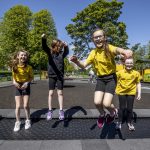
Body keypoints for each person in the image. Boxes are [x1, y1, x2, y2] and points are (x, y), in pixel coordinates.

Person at [70, 28, 133, 128]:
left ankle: (113, 113)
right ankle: (102, 114)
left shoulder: (109, 48)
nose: (98, 39)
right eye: (95, 37)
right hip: (100, 79)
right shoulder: (93, 53)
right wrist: (76, 61)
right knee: (97, 102)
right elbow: (84, 65)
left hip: (111, 78)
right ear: (93, 40)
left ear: (104, 38)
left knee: (107, 104)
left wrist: (124, 51)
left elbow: (117, 49)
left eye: (100, 36)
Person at [41, 33, 69, 121]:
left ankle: (61, 111)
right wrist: (43, 39)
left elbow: (66, 52)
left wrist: (66, 46)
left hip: (60, 77)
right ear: (54, 46)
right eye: (59, 46)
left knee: (60, 93)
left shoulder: (61, 54)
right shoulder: (50, 53)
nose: (60, 47)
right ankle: (50, 111)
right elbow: (44, 47)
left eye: (61, 46)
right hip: (52, 76)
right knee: (51, 93)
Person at [115, 58, 141, 131]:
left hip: (131, 92)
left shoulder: (136, 73)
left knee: (130, 108)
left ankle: (129, 122)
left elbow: (138, 83)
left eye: (131, 63)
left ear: (133, 64)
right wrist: (113, 90)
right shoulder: (119, 72)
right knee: (122, 108)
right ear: (124, 64)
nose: (129, 64)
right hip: (121, 92)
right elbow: (115, 81)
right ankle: (119, 121)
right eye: (127, 63)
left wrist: (139, 93)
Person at [11, 50, 33, 132]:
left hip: (26, 85)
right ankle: (17, 122)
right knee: (18, 106)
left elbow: (31, 77)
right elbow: (13, 77)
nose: (23, 56)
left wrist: (27, 83)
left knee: (25, 105)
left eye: (25, 55)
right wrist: (14, 82)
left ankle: (28, 120)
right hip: (17, 86)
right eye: (21, 55)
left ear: (26, 57)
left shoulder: (29, 67)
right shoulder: (14, 66)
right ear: (18, 56)